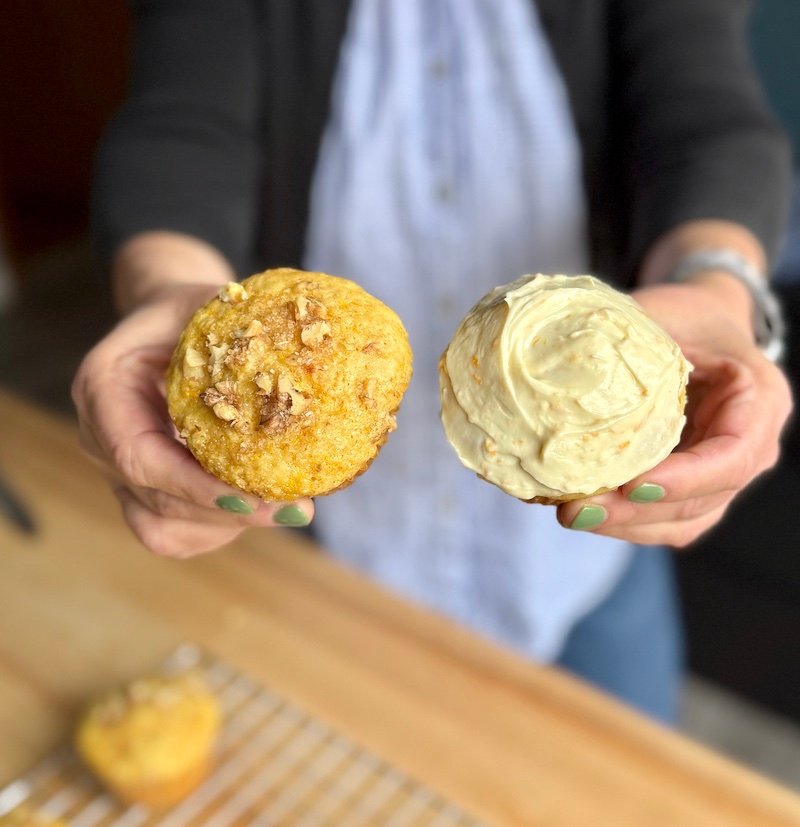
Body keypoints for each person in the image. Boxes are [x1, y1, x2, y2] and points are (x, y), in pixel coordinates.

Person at [72, 0, 793, 723]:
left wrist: (714, 283)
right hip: (335, 542)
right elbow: (186, 128)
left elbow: (703, 121)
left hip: (586, 544)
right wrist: (168, 289)